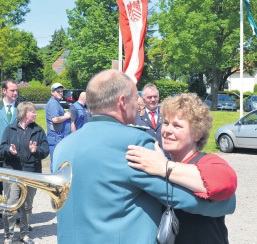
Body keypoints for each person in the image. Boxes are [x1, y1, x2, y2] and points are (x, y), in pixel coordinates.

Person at [52, 69, 236, 244]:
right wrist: (226, 203)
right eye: (136, 98)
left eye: (177, 126)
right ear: (123, 102)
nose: (139, 103)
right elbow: (174, 195)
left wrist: (166, 166)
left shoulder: (63, 146)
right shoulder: (133, 143)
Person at [126, 93, 238, 243]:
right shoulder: (157, 161)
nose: (167, 131)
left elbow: (225, 181)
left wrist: (164, 167)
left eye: (177, 125)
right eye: (166, 123)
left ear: (197, 133)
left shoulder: (207, 161)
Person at [0, 102, 49, 244]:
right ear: (24, 113)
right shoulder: (9, 130)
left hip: (31, 174)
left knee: (27, 206)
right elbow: (1, 148)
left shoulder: (38, 130)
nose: (35, 114)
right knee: (11, 205)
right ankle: (8, 236)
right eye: (33, 112)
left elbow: (45, 150)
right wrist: (9, 151)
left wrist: (36, 151)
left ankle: (24, 234)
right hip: (13, 173)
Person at [0, 79, 19, 222]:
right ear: (4, 91)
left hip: (15, 155)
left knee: (16, 186)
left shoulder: (21, 108)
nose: (16, 93)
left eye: (17, 90)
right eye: (12, 90)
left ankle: (16, 215)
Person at [45, 83, 71, 172]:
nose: (60, 93)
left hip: (58, 137)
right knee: (56, 163)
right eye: (58, 91)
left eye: (61, 91)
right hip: (56, 138)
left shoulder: (56, 102)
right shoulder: (53, 103)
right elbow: (55, 119)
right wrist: (66, 116)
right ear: (52, 92)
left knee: (59, 162)